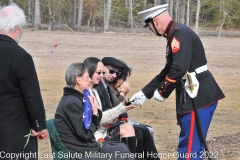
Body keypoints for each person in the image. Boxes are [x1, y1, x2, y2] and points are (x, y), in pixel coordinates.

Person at [130, 4, 225, 160]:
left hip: (197, 95)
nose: (151, 31)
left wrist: (162, 92)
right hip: (193, 94)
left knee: (189, 150)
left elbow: (179, 68)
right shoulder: (174, 33)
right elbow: (169, 69)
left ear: (156, 21)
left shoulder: (178, 33)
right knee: (192, 148)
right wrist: (144, 93)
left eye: (149, 27)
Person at [54, 62, 134, 160]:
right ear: (78, 80)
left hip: (86, 147)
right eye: (87, 77)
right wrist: (95, 112)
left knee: (121, 147)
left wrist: (95, 110)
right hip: (81, 152)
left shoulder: (77, 98)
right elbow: (85, 134)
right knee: (122, 152)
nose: (90, 80)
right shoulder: (71, 102)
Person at [0, 4, 46, 160]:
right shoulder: (20, 56)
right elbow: (31, 95)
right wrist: (38, 125)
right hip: (13, 132)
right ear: (17, 28)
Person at [95, 57, 160, 160]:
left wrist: (125, 94)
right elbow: (117, 111)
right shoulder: (100, 88)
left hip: (109, 125)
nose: (114, 76)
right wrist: (122, 93)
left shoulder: (106, 87)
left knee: (144, 130)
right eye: (112, 72)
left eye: (117, 74)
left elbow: (122, 114)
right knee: (138, 132)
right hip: (102, 130)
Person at [83, 57, 137, 154]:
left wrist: (124, 96)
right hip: (97, 135)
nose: (101, 76)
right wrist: (121, 106)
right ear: (89, 72)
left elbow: (100, 116)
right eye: (98, 73)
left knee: (139, 130)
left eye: (102, 73)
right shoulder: (91, 92)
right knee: (129, 129)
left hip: (101, 130)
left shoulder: (94, 90)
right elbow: (99, 119)